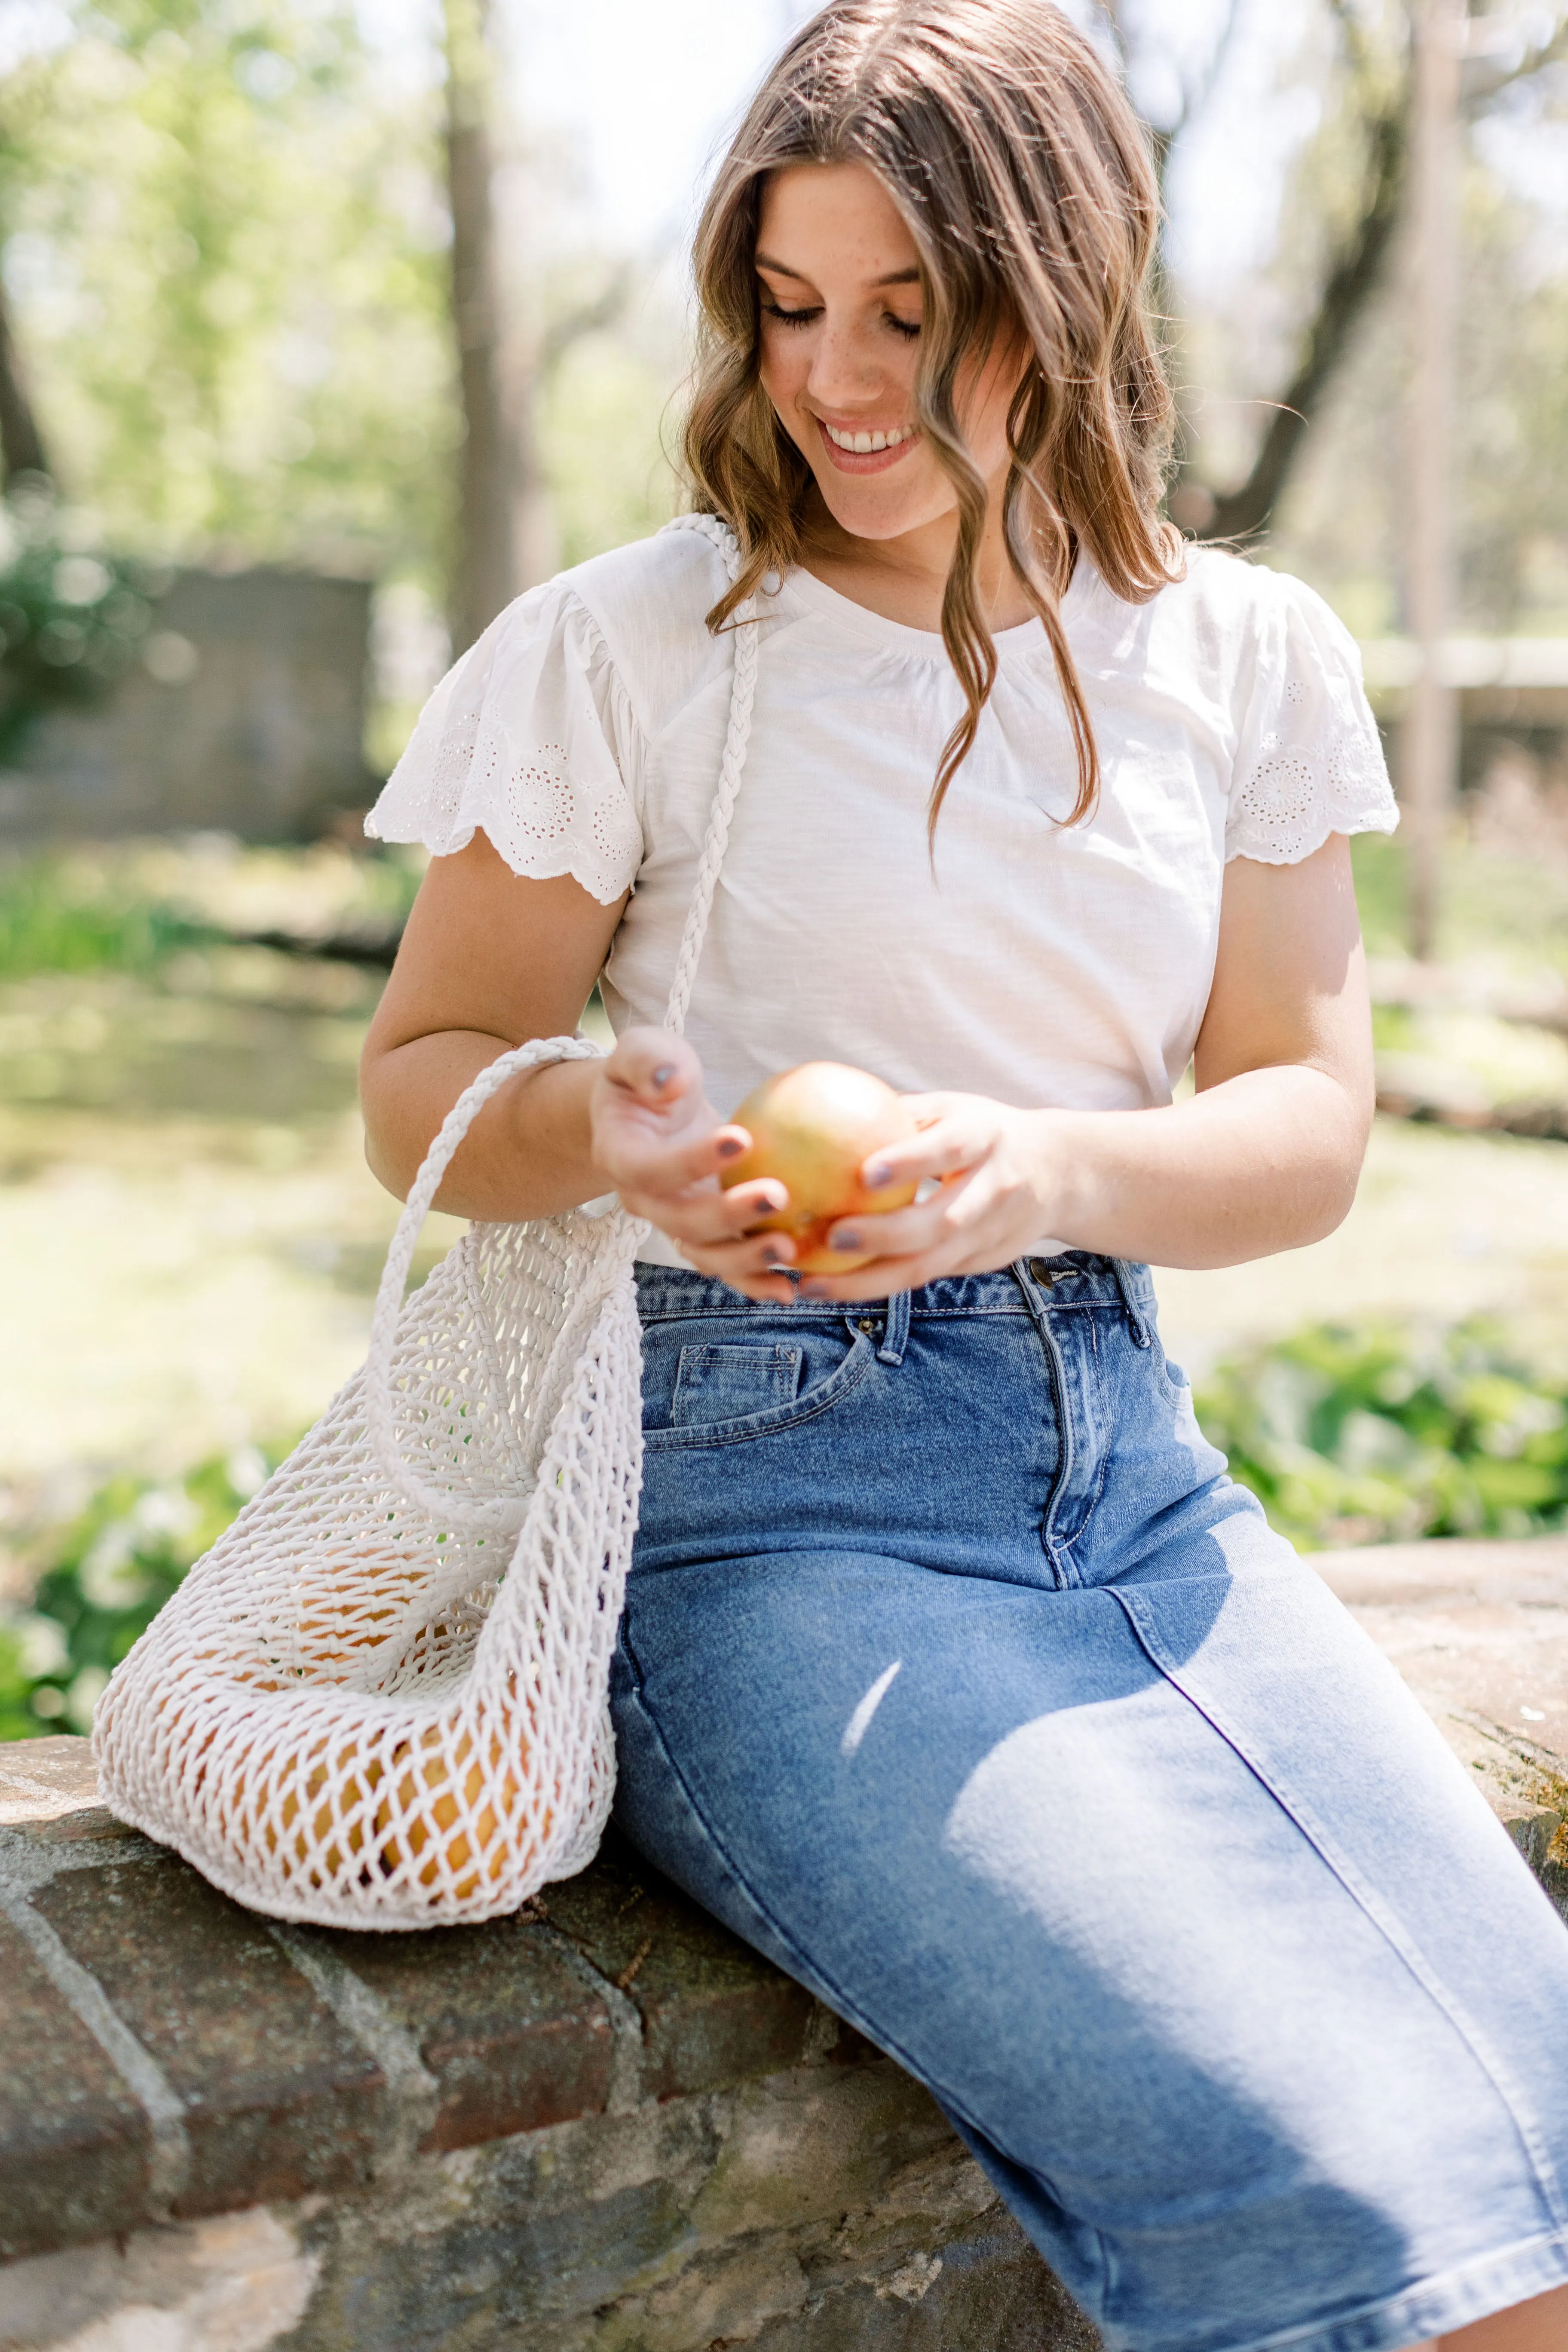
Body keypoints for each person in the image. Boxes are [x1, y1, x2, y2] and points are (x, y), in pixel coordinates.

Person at [360, 4, 1568, 2346]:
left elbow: (1302, 1126)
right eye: (791, 307)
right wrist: (595, 1129)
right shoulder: (634, 647)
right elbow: (420, 1074)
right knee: (1345, 2193)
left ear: (1073, 283)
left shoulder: (1240, 655)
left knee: (1541, 2139)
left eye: (919, 313)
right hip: (755, 1511)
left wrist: (1041, 1175)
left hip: (1136, 1488)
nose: (838, 380)